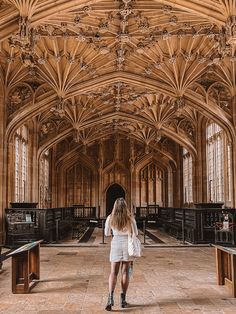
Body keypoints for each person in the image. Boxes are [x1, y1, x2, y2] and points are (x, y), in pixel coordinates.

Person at [104, 197, 138, 311]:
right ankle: (123, 299)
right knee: (125, 272)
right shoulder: (130, 218)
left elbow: (107, 233)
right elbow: (136, 233)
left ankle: (110, 298)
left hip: (116, 244)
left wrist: (115, 232)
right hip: (127, 245)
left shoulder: (110, 217)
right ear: (125, 207)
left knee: (113, 272)